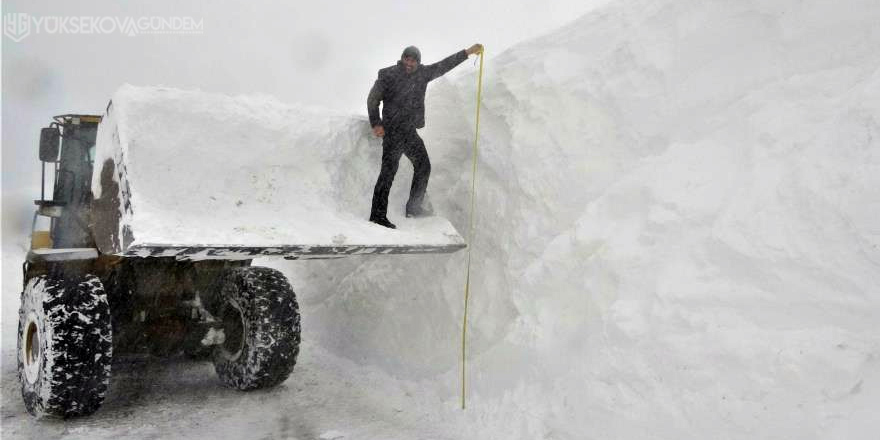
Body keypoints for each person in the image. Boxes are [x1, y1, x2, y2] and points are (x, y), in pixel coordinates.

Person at [367, 43, 484, 229]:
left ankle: (413, 207)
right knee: (388, 173)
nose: (409, 63)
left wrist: (467, 52)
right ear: (402, 58)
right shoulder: (388, 74)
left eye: (413, 60)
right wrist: (376, 123)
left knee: (423, 166)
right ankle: (377, 215)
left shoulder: (422, 74)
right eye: (407, 58)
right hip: (392, 131)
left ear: (418, 62)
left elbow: (444, 65)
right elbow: (373, 99)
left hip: (408, 132)